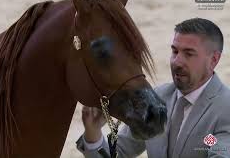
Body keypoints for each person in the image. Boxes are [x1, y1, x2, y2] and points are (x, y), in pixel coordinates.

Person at [76, 18, 230, 158]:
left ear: (214, 59)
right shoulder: (157, 97)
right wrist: (93, 133)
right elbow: (118, 153)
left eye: (189, 54)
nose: (177, 62)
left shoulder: (226, 109)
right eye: (175, 51)